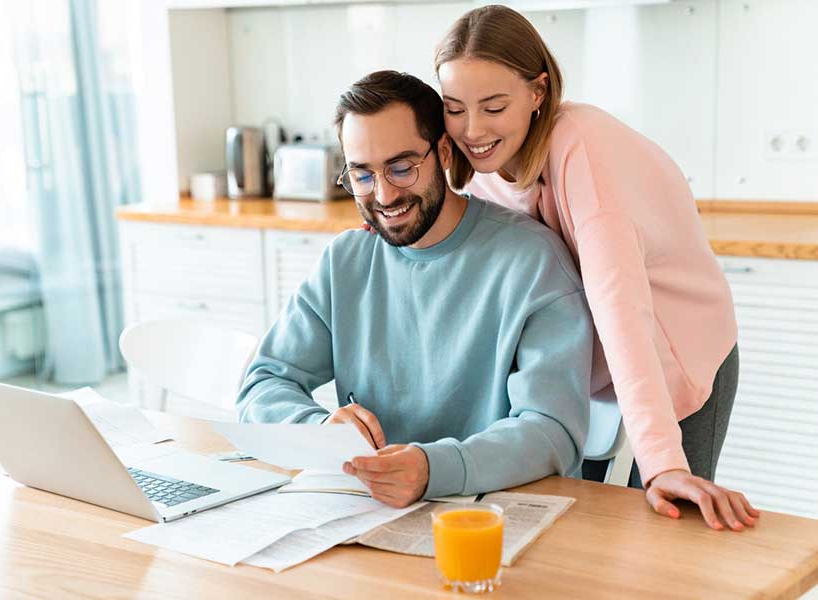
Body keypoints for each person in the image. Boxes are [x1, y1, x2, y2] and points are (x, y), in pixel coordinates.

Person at [428, 4, 759, 530]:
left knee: (665, 530)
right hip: (588, 369)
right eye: (455, 107)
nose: (473, 129)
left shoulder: (585, 151)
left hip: (672, 351)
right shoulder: (481, 172)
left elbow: (619, 306)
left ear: (537, 92)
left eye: (493, 106)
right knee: (591, 536)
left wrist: (662, 461)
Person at [237, 70, 595, 508]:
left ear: (443, 151)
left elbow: (553, 431)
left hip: (493, 513)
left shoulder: (532, 261)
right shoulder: (345, 261)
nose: (384, 195)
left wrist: (434, 469)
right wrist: (319, 430)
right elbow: (263, 382)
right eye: (362, 175)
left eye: (402, 168)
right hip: (368, 511)